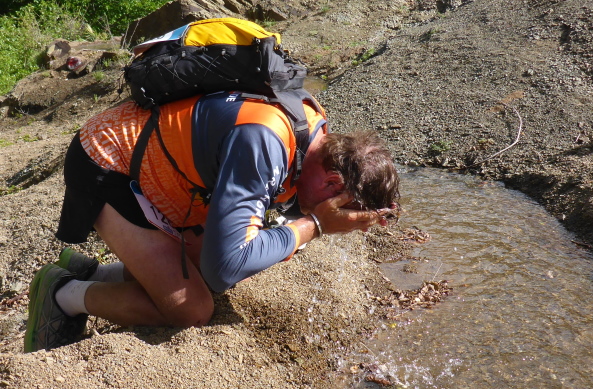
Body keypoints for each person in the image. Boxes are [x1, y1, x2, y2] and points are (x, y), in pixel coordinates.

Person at [24, 91, 400, 353]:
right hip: (107, 162)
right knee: (191, 309)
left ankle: (95, 274)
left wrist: (306, 223)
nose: (337, 216)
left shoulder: (315, 135)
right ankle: (63, 294)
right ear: (333, 184)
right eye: (341, 207)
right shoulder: (263, 143)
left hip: (157, 167)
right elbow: (225, 268)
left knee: (204, 270)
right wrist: (315, 224)